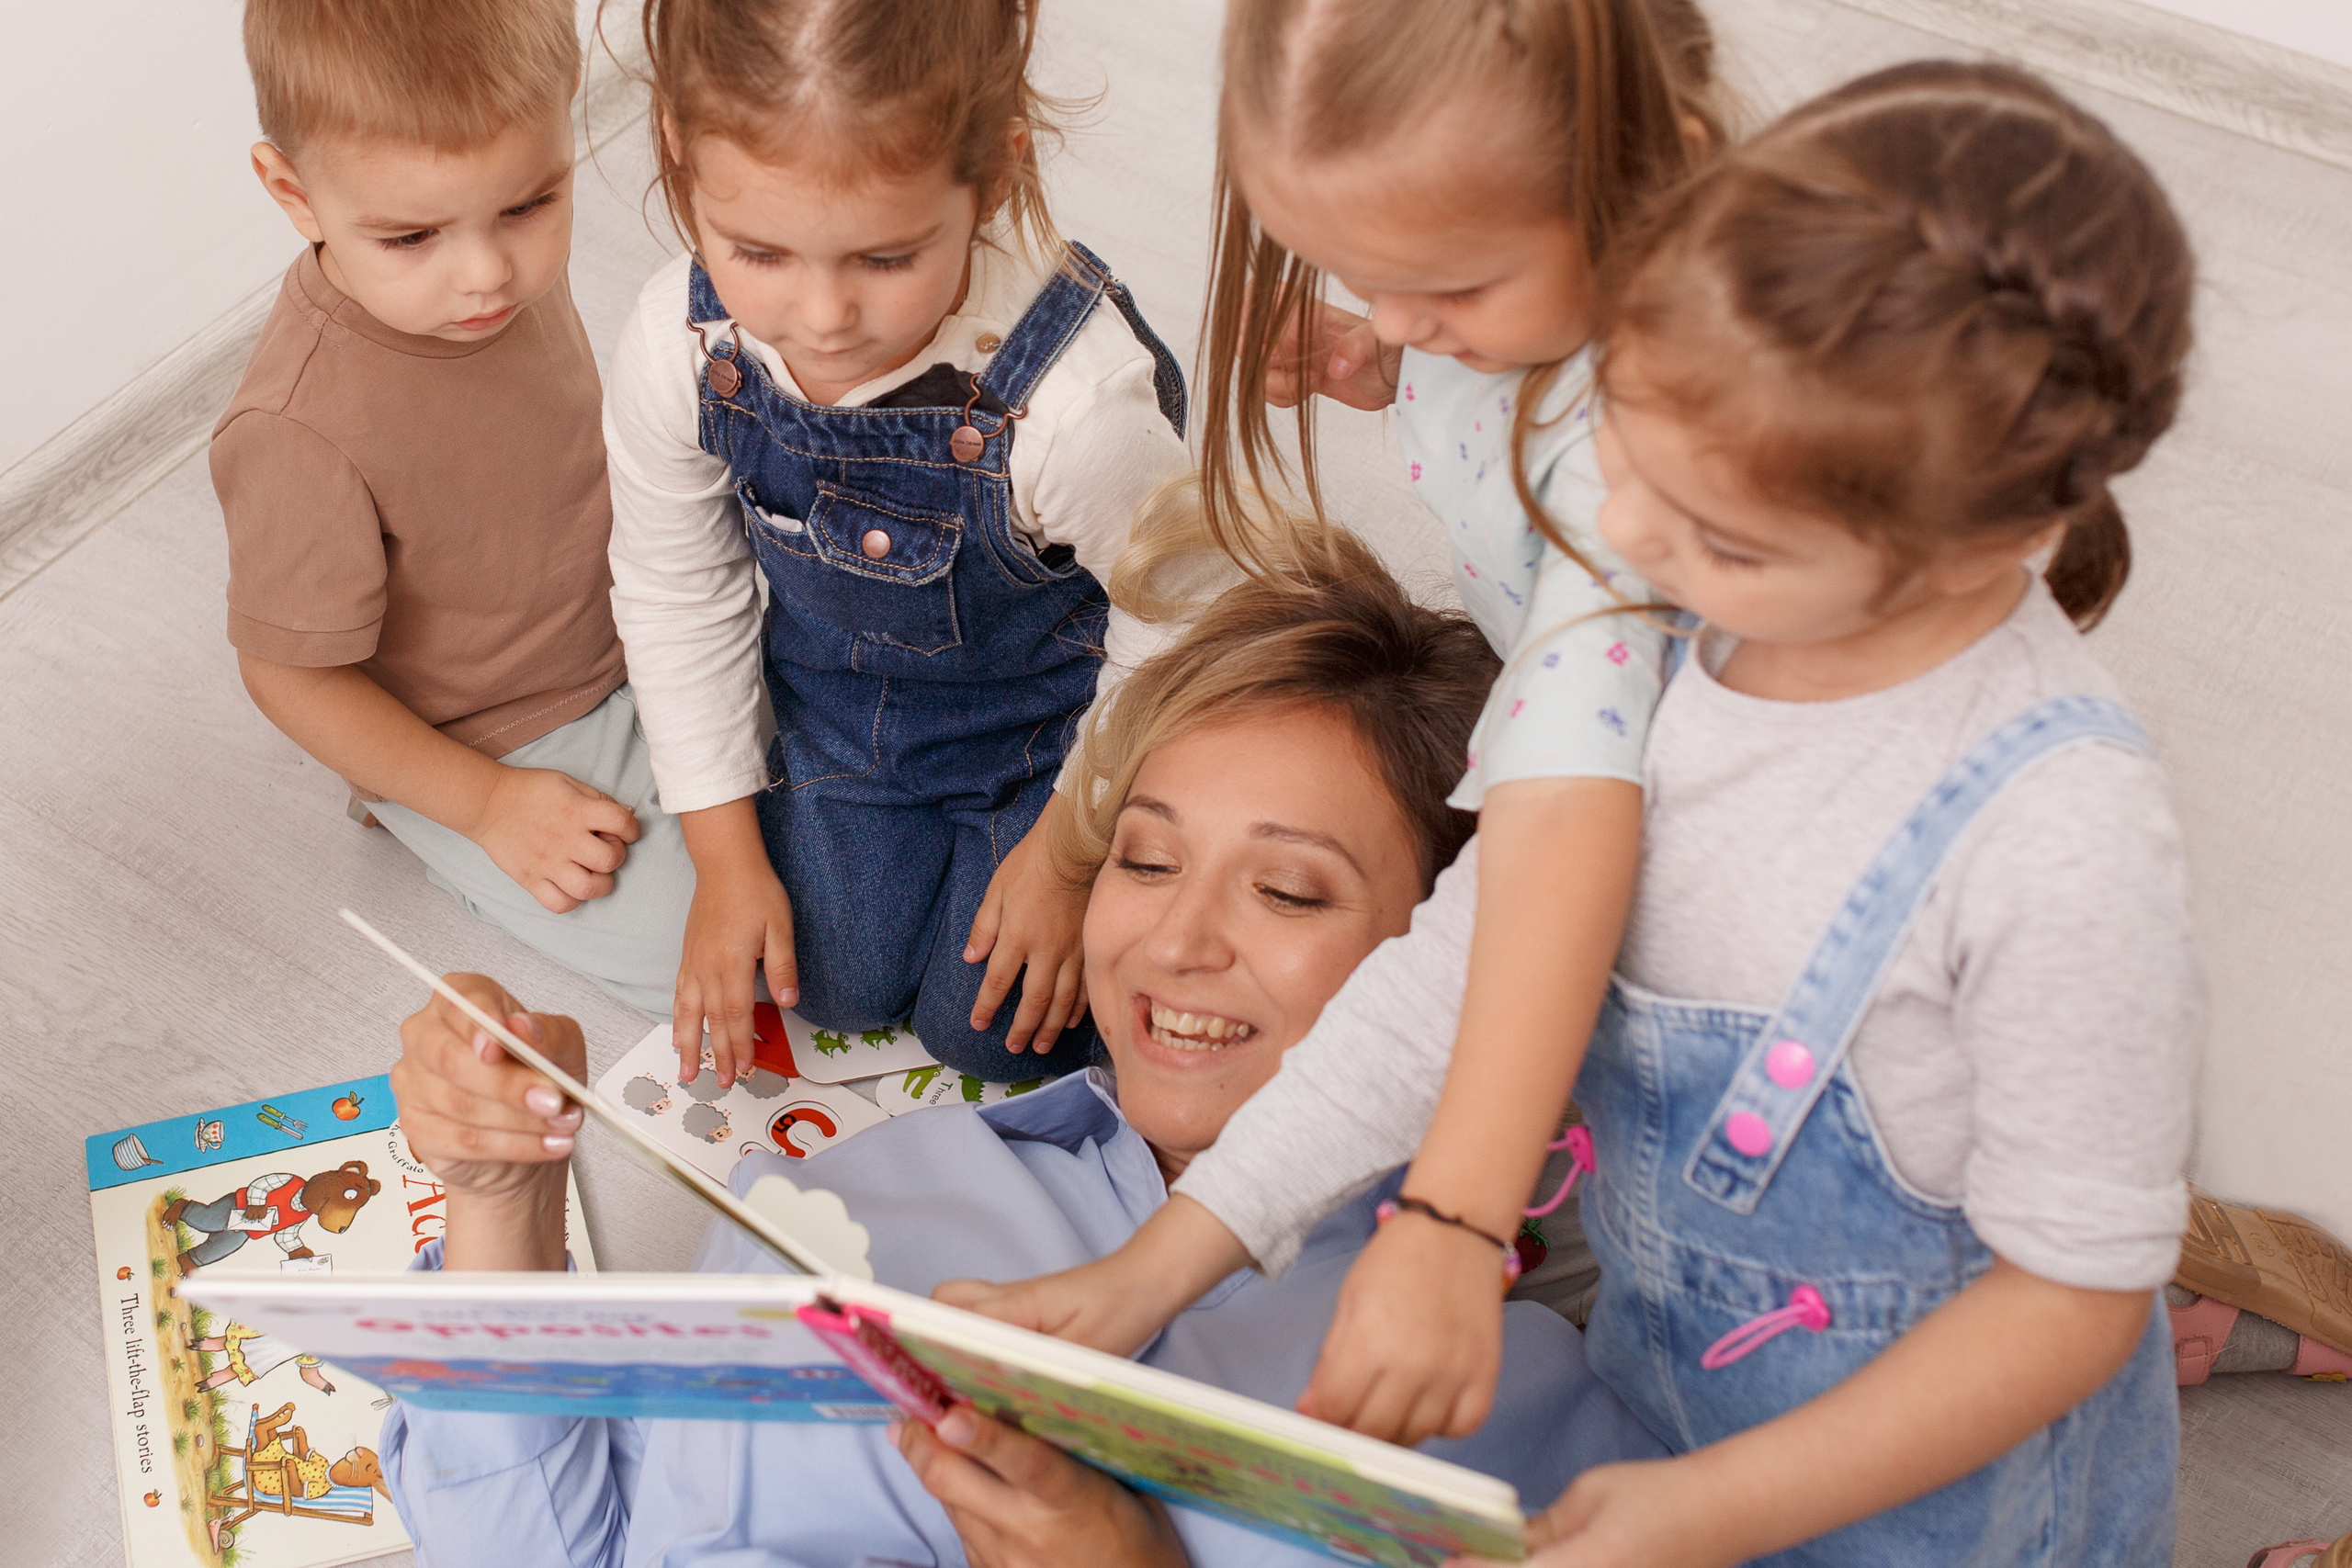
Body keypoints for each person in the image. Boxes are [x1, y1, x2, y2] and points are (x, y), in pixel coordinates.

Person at [958, 62, 2205, 1566]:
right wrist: (1162, 1263)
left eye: (1717, 530)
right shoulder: (1663, 630)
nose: (1618, 538)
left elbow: (2069, 1300)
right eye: (1630, 449)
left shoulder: (2062, 833)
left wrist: (1719, 1505)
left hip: (1950, 1515)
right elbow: (1445, 982)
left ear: (1989, 535)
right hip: (1663, 1406)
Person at [375, 524, 1666, 1568]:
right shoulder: (855, 1193)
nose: (1174, 940)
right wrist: (504, 1205)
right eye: (1147, 859)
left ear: (1463, 966)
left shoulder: (1519, 1419)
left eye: (1286, 889)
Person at [976, 0, 1728, 1430]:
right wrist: (1398, 355)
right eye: (1359, 270)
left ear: (1647, 173)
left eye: (1445, 280)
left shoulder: (1637, 503)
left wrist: (1450, 1223)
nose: (1393, 316)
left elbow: (1539, 884)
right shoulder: (1517, 314)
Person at [612, 0, 1194, 1087]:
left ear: (995, 177)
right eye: (759, 251)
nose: (822, 316)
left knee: (986, 1034)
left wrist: (1072, 850)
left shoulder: (1070, 406)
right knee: (822, 982)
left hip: (1057, 727)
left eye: (885, 258)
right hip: (846, 715)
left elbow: (1186, 619)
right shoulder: (676, 343)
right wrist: (723, 856)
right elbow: (673, 583)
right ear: (680, 164)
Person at [213, 0, 695, 1016]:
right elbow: (289, 676)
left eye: (528, 205)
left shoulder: (493, 283)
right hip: (496, 736)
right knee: (697, 946)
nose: (485, 273)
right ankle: (431, 824)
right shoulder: (300, 426)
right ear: (292, 193)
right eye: (411, 234)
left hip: (635, 612)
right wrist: (486, 806)